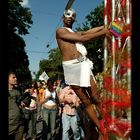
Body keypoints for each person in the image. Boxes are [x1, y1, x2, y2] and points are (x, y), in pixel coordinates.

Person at [56, 8, 111, 139]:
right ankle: (101, 127)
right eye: (67, 15)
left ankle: (108, 122)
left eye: (72, 15)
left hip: (82, 65)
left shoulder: (74, 32)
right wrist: (103, 32)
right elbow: (84, 37)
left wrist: (104, 26)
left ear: (74, 19)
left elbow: (86, 32)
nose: (69, 17)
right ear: (62, 18)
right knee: (85, 101)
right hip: (71, 68)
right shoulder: (60, 31)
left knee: (96, 97)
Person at [8, 72, 25, 140]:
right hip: (10, 125)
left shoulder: (18, 91)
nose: (16, 78)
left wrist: (22, 103)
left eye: (16, 77)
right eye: (13, 77)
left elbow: (20, 103)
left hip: (20, 123)